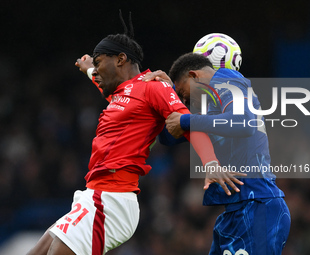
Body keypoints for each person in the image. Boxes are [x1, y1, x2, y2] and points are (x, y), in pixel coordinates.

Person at [27, 31, 247, 255]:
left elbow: (187, 123)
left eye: (100, 62)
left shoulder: (154, 87)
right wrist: (88, 68)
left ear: (121, 60)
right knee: (38, 251)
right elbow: (102, 82)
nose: (97, 70)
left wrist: (210, 162)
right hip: (93, 195)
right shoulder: (121, 93)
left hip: (113, 200)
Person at [145, 52, 291, 255]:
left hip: (258, 207)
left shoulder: (228, 79)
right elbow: (168, 137)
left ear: (194, 76)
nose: (184, 98)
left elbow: (244, 123)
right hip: (234, 213)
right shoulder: (209, 111)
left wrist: (186, 120)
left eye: (183, 92)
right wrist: (167, 95)